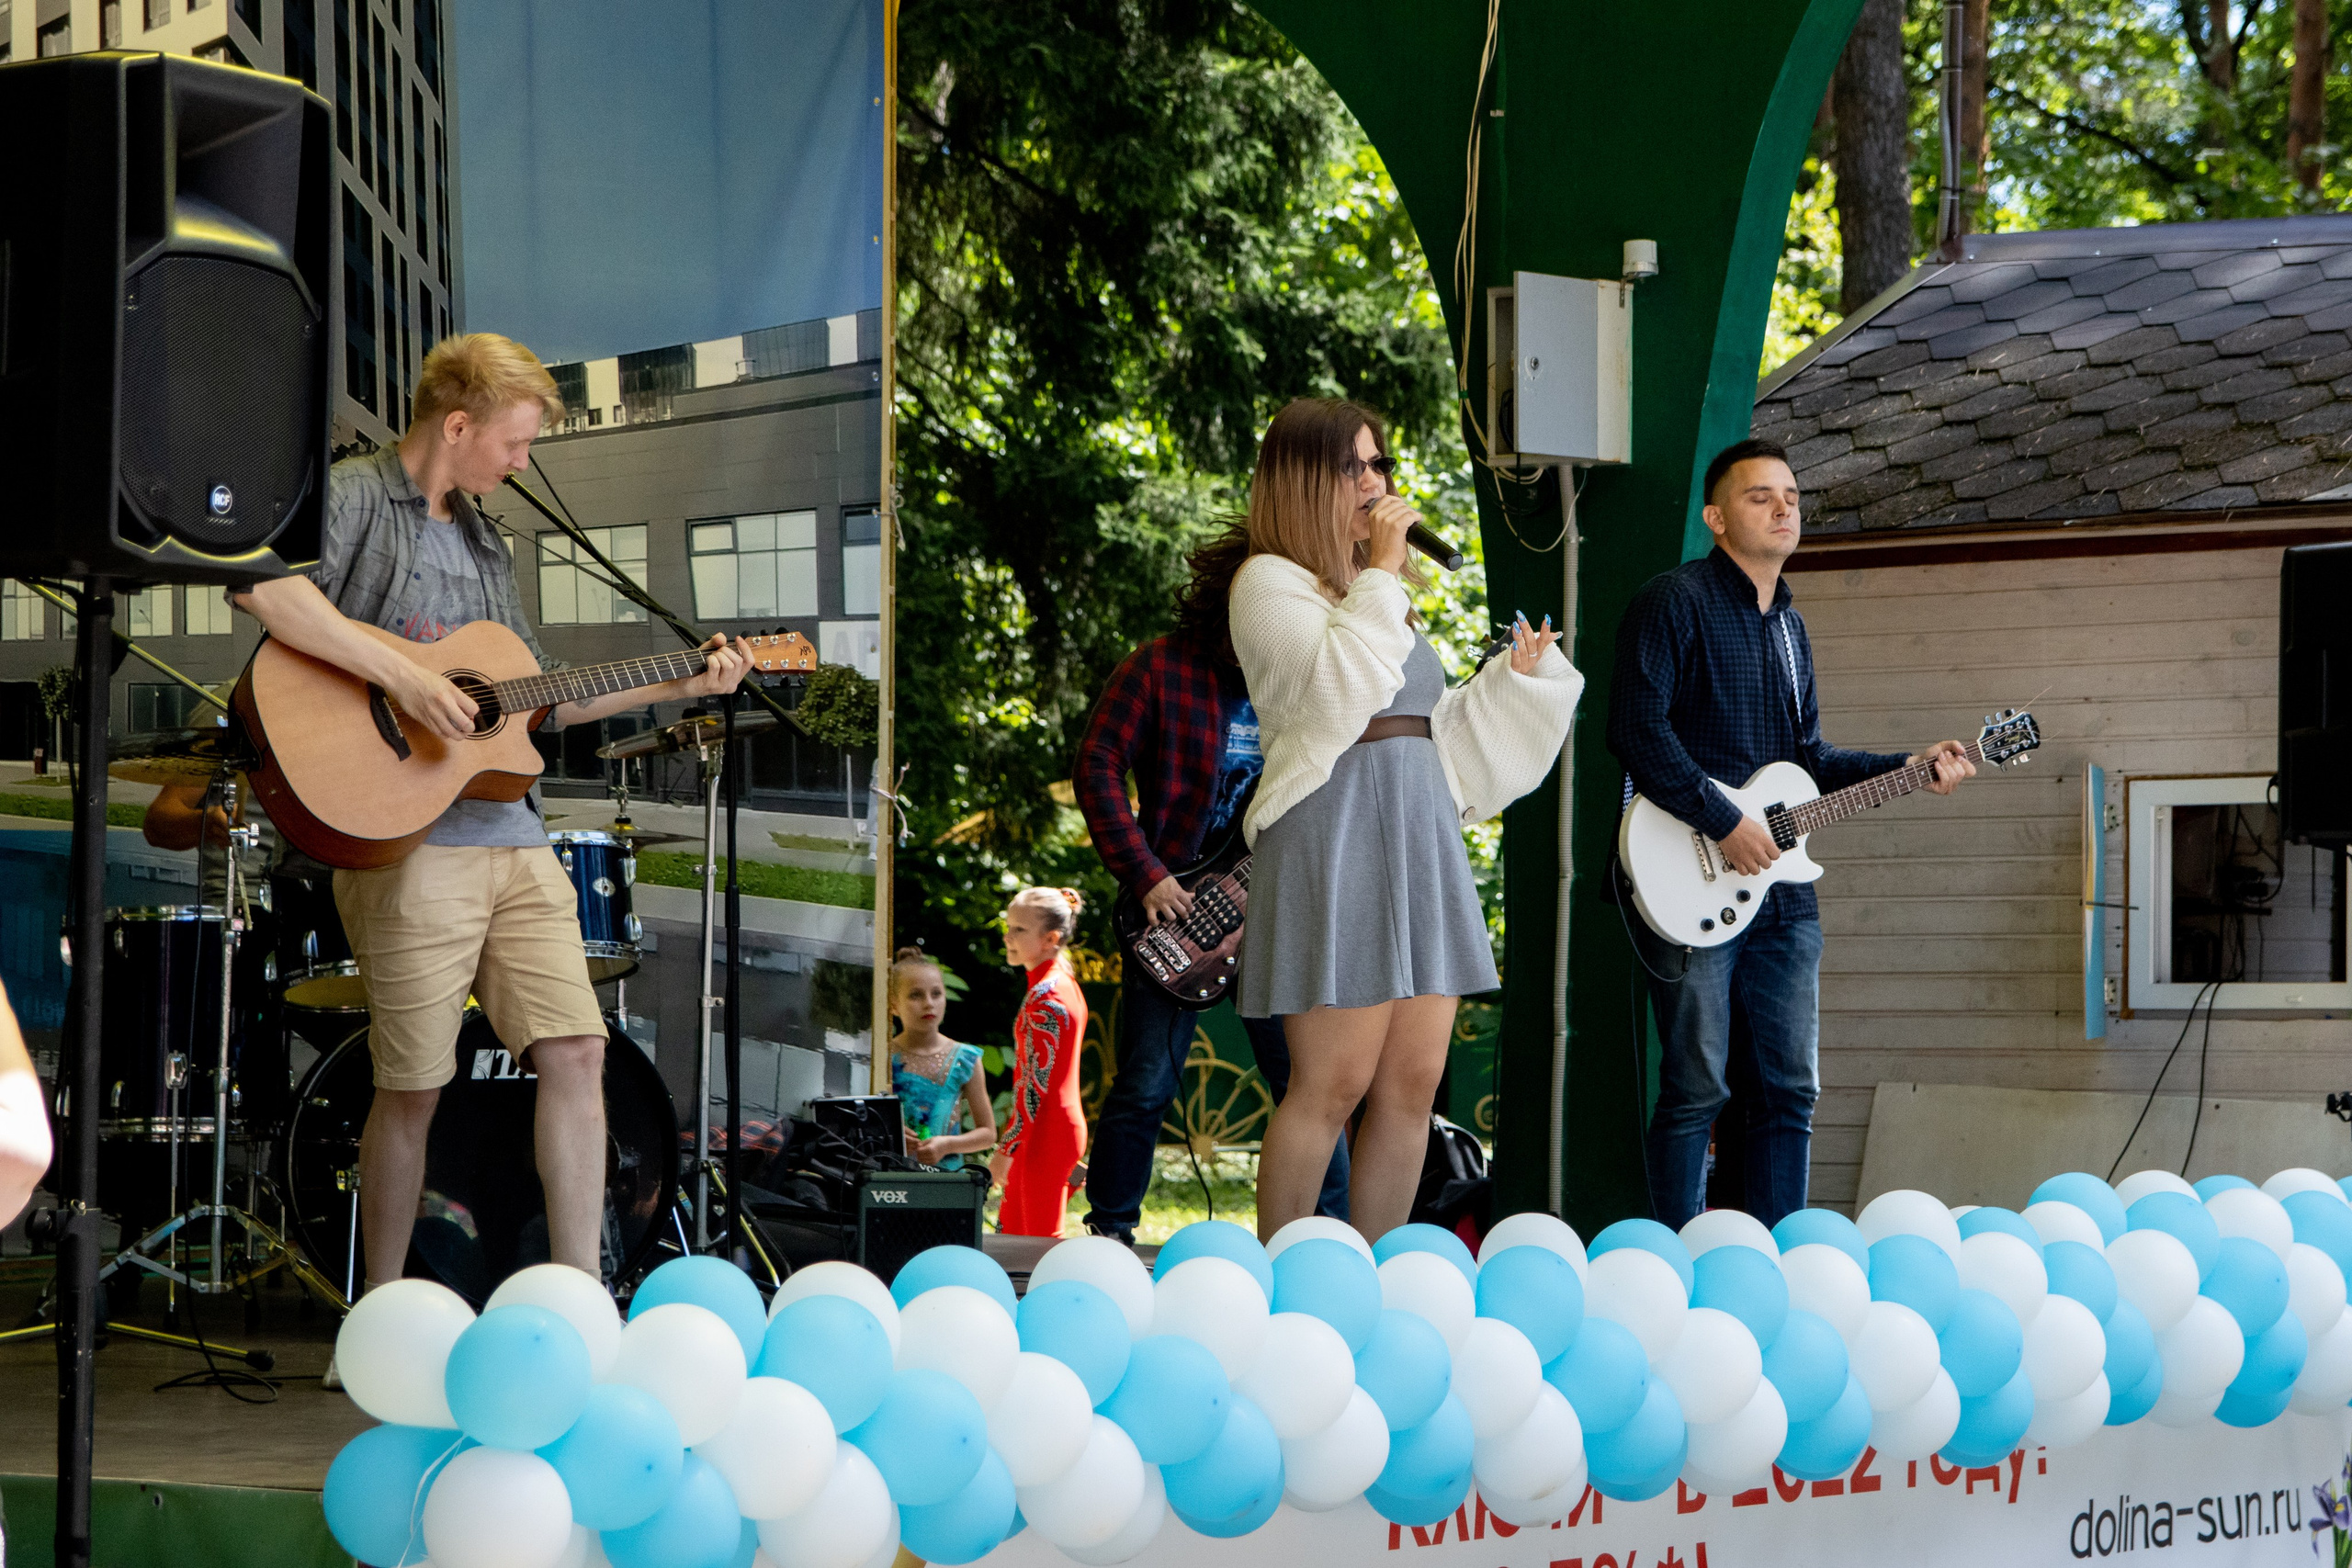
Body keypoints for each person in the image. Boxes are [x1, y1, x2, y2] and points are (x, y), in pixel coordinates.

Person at [231, 333, 753, 1319]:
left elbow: (533, 699)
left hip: (511, 838)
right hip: (402, 838)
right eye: (512, 444)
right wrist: (403, 677)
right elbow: (259, 583)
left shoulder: (483, 541)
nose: (521, 464)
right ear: (458, 425)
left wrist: (680, 679)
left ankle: (577, 1296)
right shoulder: (351, 498)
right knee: (414, 1085)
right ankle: (379, 1313)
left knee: (577, 1050)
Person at [1231, 398, 1581, 1243]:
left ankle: (1378, 1272)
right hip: (1335, 826)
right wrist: (1385, 573)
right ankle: (1285, 1269)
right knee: (1333, 1081)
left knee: (1414, 1082)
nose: (1378, 482)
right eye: (1357, 466)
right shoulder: (1268, 582)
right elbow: (1338, 698)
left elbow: (1431, 727)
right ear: (1305, 478)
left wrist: (1510, 680)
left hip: (1420, 830)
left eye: (1382, 463)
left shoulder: (1377, 593)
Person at [1608, 436, 1975, 1232]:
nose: (1784, 507)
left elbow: (1806, 759)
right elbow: (1636, 729)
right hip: (1689, 872)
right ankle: (1673, 1262)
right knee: (1697, 1089)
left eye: (1792, 496)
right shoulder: (1672, 601)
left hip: (1780, 890)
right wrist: (1724, 821)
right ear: (1715, 517)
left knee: (1790, 1089)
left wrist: (1910, 764)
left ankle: (1775, 1260)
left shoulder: (1791, 628)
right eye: (1759, 496)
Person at [1074, 528, 1347, 1246]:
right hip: (1176, 912)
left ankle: (1333, 1235)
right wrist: (1146, 872)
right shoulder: (1160, 667)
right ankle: (1110, 1233)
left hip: (1277, 917)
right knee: (1145, 1084)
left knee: (1309, 1084)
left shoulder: (1303, 679)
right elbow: (1097, 763)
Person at [990, 886, 1090, 1237]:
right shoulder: (1059, 986)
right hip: (1048, 1131)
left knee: (1037, 1249)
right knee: (1015, 1239)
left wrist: (1007, 1149)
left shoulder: (1048, 996)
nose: (1008, 936)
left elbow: (1034, 1083)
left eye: (1019, 930)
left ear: (1050, 938)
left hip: (1046, 1136)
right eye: (1008, 926)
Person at [888, 946, 996, 1170]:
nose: (929, 1003)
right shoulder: (881, 1058)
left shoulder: (966, 1059)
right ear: (893, 1004)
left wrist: (946, 1145)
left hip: (947, 1182)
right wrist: (891, 1134)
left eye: (936, 993)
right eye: (916, 995)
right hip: (891, 1178)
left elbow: (987, 1133)